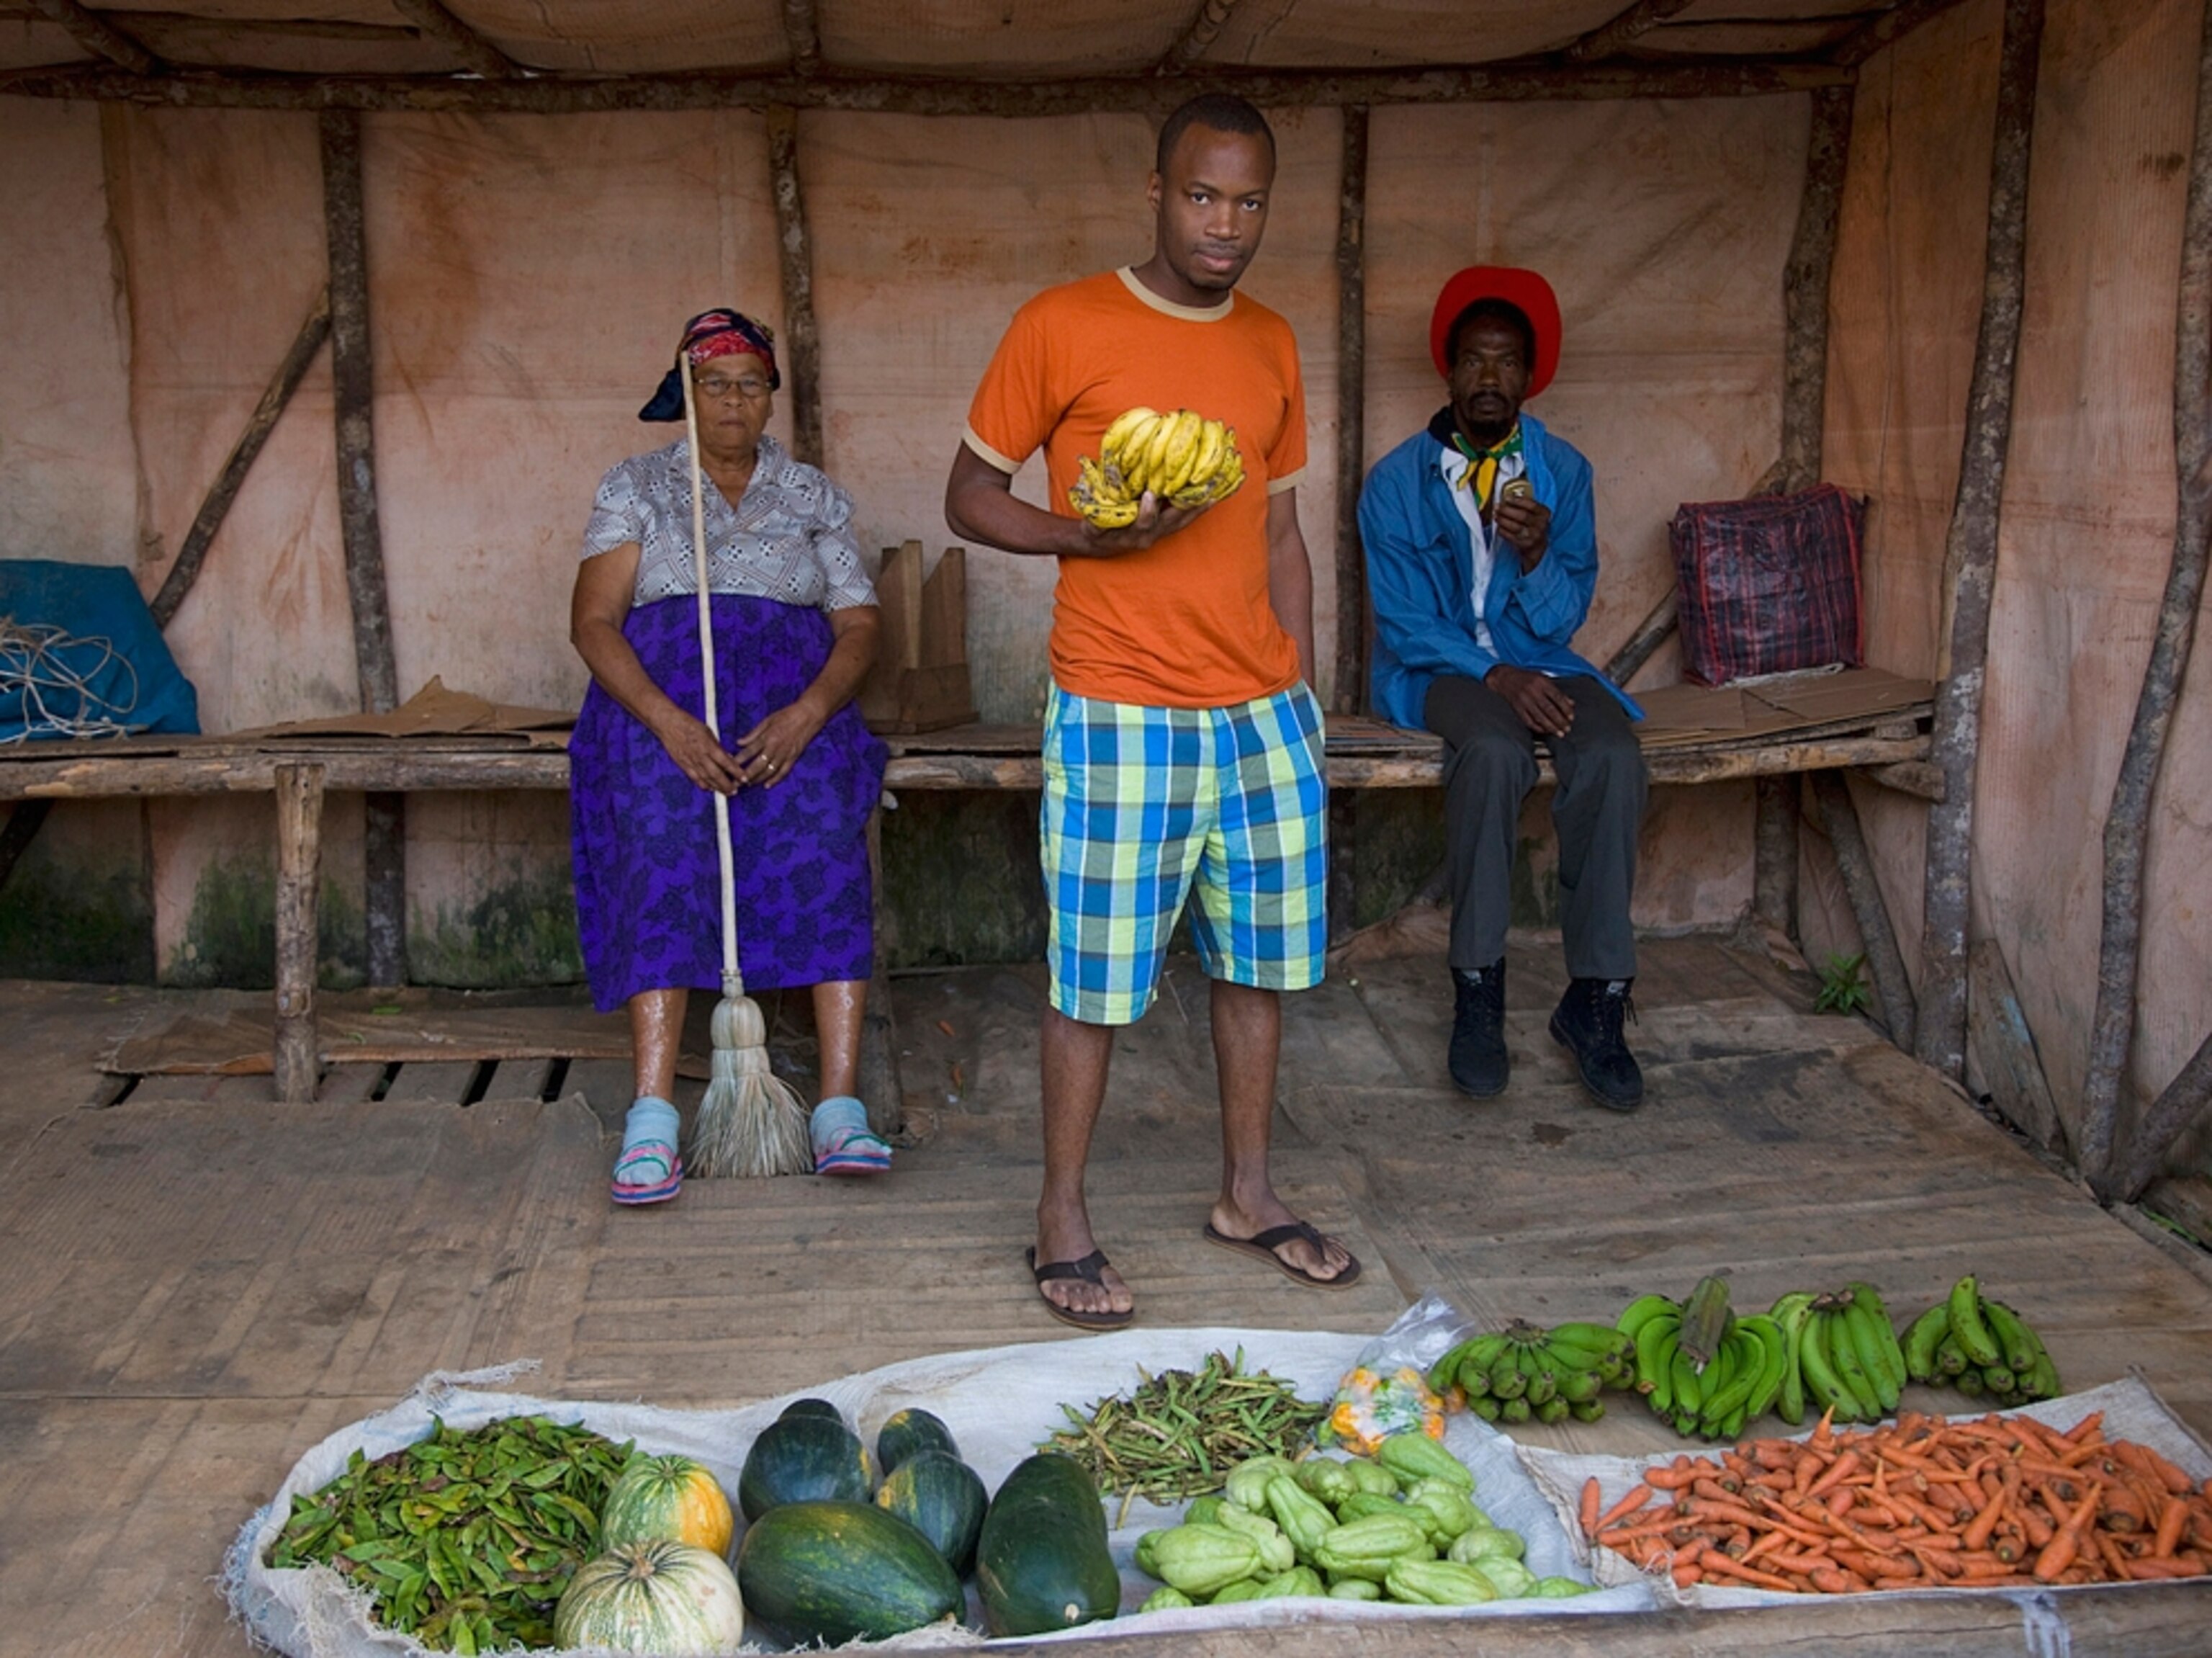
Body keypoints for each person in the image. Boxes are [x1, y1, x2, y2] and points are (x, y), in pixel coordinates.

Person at [944, 93, 1359, 1331]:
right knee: (1095, 974)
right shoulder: (1063, 322)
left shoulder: (1273, 340)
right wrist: (1085, 532)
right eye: (1200, 195)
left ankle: (1247, 1191)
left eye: (1247, 202)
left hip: (1262, 710)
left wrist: (1303, 678)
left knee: (1260, 964)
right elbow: (970, 494)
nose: (1223, 224)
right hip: (1120, 701)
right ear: (1156, 192)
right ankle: (1058, 1214)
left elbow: (1279, 524)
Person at [570, 308, 892, 1203]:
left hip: (789, 716)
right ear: (686, 393)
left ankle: (836, 1105)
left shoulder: (812, 495)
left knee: (824, 826)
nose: (734, 401)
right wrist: (670, 724)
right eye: (715, 384)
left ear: (771, 397)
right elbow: (593, 622)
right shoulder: (639, 487)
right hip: (658, 715)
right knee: (663, 839)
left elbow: (860, 623)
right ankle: (651, 1119)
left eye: (752, 384)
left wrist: (810, 711)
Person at [1359, 267, 1650, 1112]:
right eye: (1475, 361)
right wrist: (1494, 672)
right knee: (1489, 749)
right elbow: (1406, 621)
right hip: (1441, 670)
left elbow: (1562, 618)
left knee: (1611, 754)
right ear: (1448, 372)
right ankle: (1478, 987)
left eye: (1508, 362)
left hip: (1541, 660)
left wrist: (1536, 553)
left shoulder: (1563, 471)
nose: (1491, 378)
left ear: (1531, 375)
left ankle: (1595, 998)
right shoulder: (1396, 482)